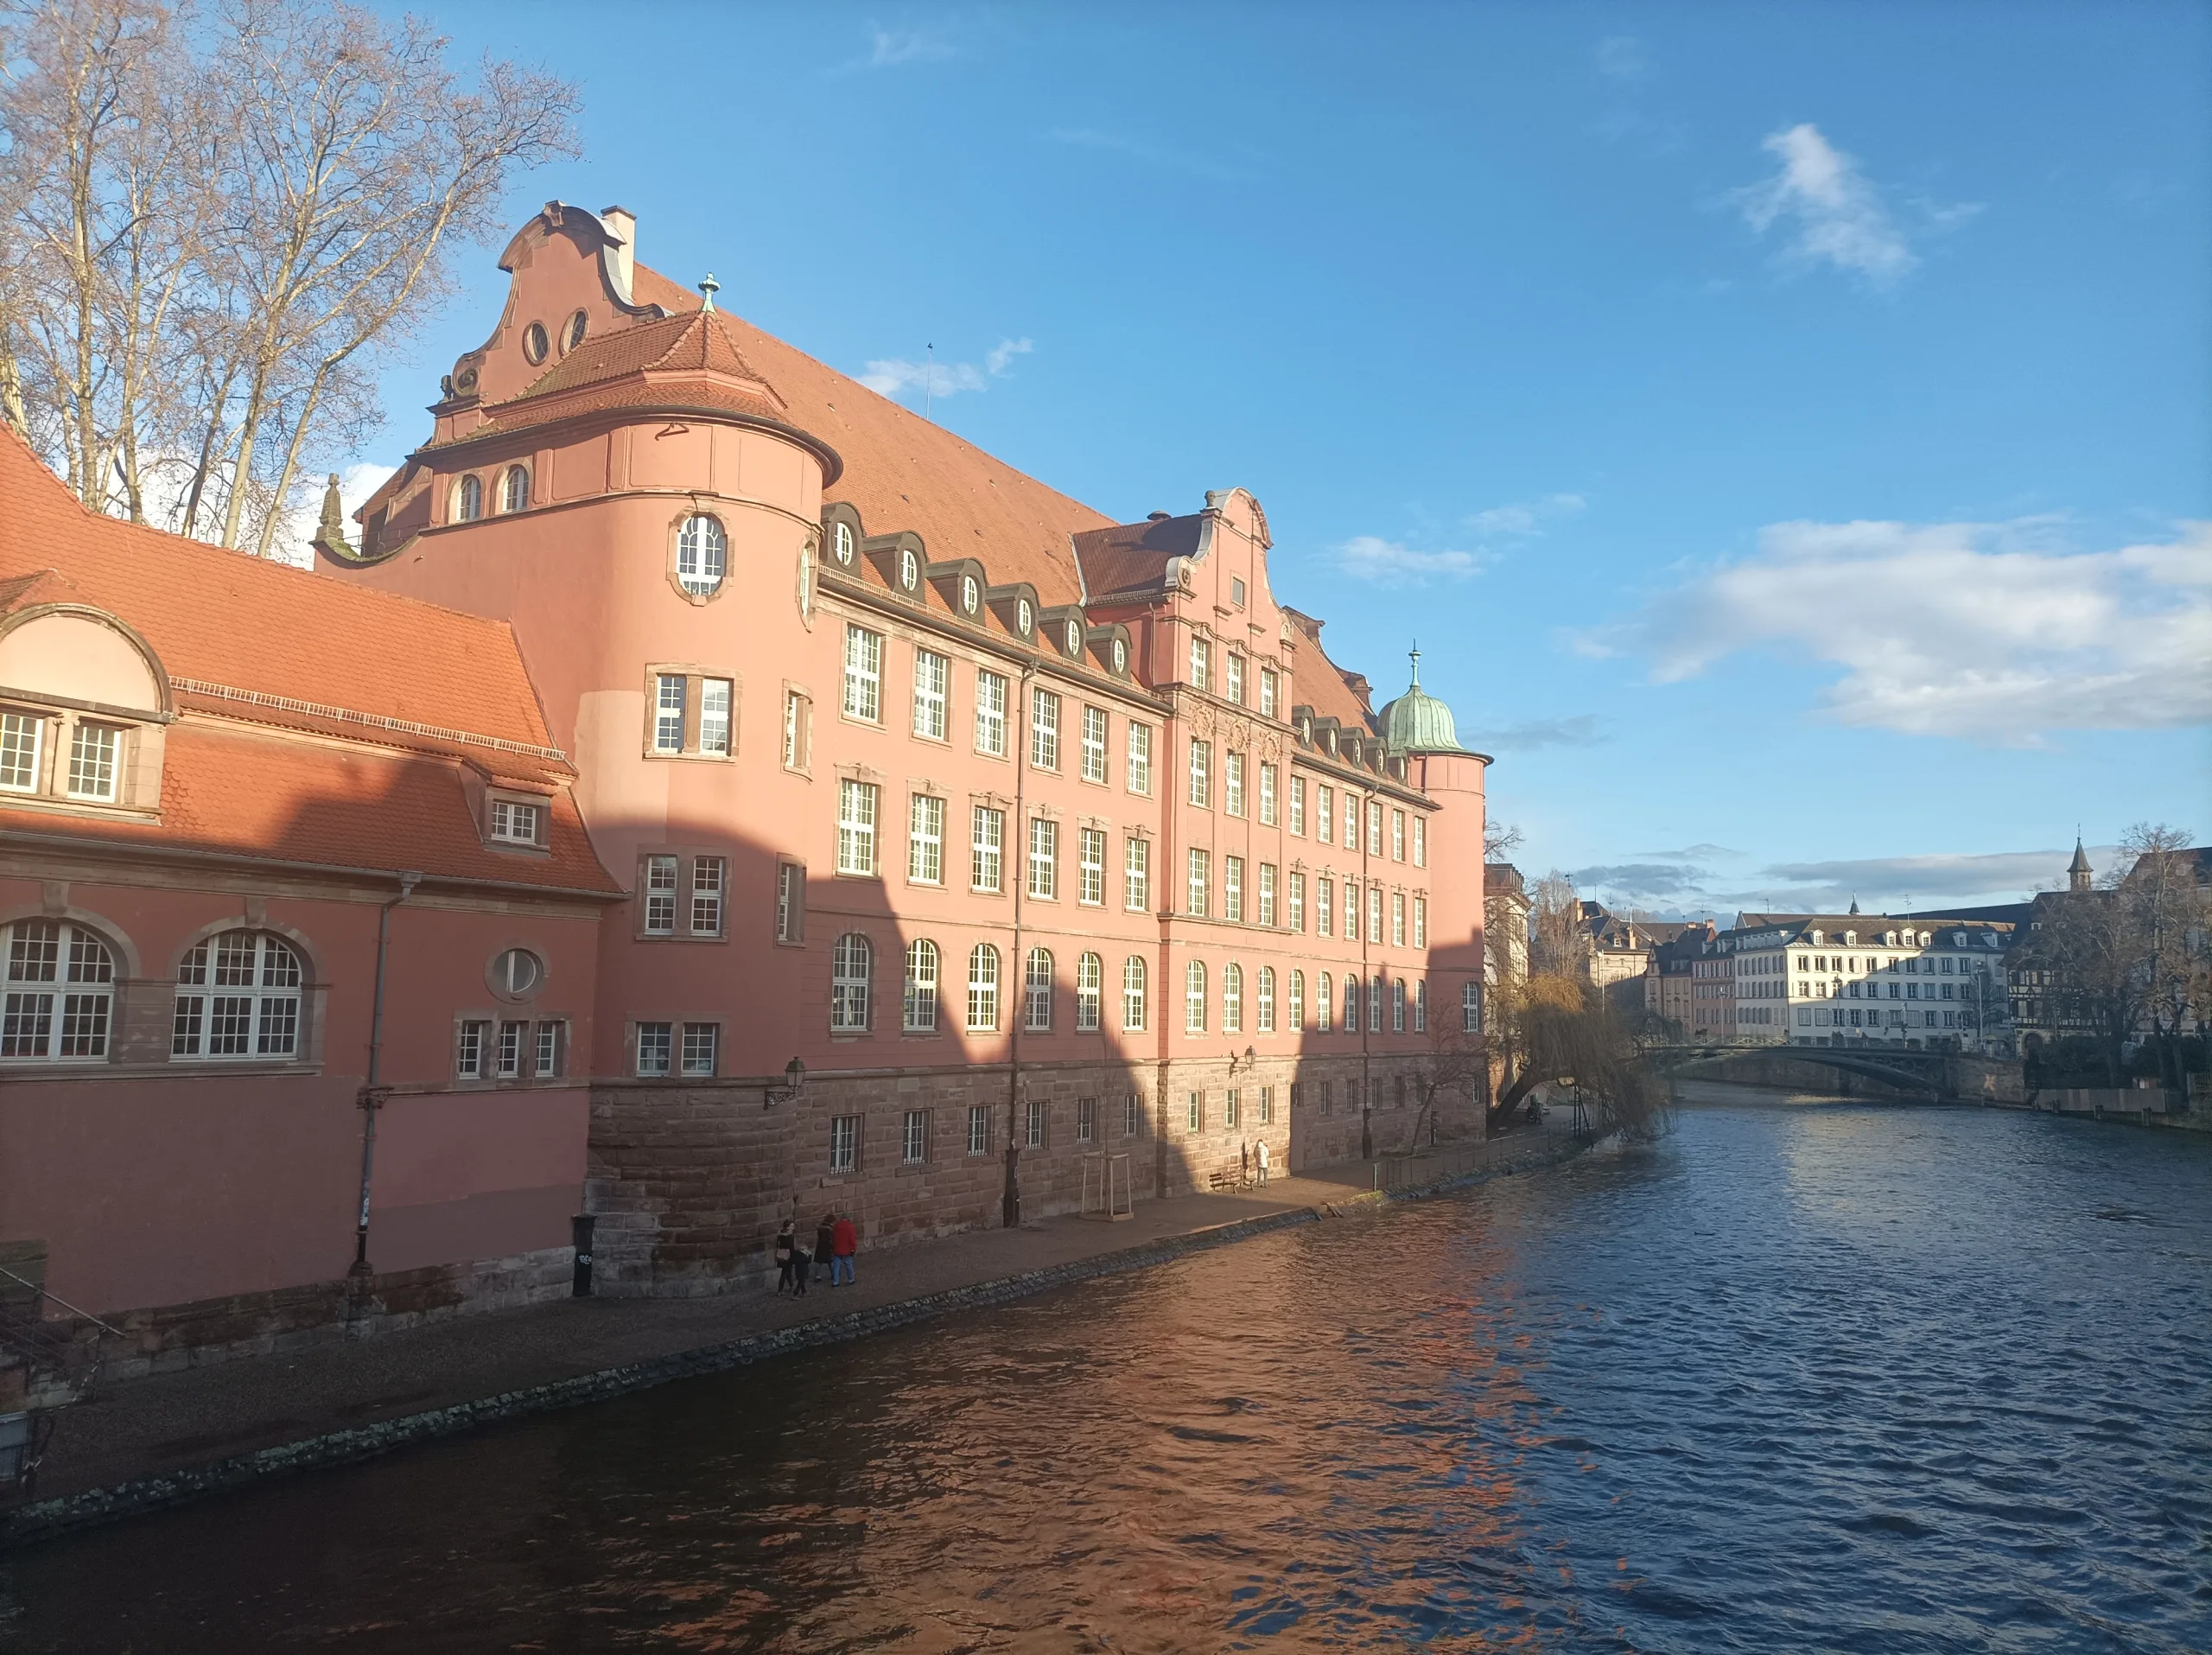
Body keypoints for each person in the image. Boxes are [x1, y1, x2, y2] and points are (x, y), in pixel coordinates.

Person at [830, 1211, 858, 1286]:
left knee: (836, 1266)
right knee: (849, 1265)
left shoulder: (836, 1226)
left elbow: (833, 1237)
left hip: (837, 1249)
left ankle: (835, 1281)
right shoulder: (850, 1227)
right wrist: (853, 1249)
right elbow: (852, 1239)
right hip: (847, 1250)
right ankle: (851, 1279)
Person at [772, 1219, 796, 1295]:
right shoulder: (790, 1236)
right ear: (787, 1227)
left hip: (781, 1255)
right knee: (785, 1273)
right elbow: (791, 1248)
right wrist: (794, 1257)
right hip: (788, 1256)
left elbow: (778, 1245)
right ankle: (780, 1290)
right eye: (792, 1226)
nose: (793, 1228)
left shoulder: (780, 1235)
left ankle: (791, 1286)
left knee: (787, 1272)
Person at [814, 1213, 837, 1285]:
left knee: (819, 1262)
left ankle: (817, 1275)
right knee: (831, 1261)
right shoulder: (830, 1229)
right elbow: (830, 1239)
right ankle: (833, 1274)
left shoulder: (821, 1227)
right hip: (828, 1247)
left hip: (820, 1246)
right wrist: (833, 1246)